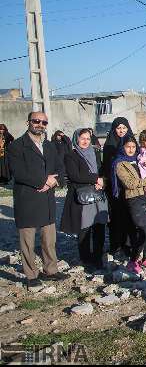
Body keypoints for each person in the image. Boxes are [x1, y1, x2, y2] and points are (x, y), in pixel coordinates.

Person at [7, 112, 69, 288]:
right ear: (28, 122)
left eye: (44, 122)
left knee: (49, 239)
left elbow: (60, 166)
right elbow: (19, 172)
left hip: (47, 198)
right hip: (28, 198)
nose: (40, 124)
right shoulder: (17, 146)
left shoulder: (49, 146)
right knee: (27, 241)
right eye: (36, 121)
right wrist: (42, 181)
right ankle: (31, 274)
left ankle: (51, 269)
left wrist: (54, 181)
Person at [60, 128, 109, 271]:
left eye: (88, 138)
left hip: (98, 194)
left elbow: (101, 170)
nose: (85, 141)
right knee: (85, 228)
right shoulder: (71, 155)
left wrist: (102, 181)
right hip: (83, 196)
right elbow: (75, 176)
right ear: (76, 139)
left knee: (99, 226)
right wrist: (96, 179)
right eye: (82, 138)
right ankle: (86, 258)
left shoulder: (94, 153)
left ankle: (98, 256)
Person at [114, 136, 146, 274]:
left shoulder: (138, 158)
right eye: (128, 146)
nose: (131, 149)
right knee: (143, 229)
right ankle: (133, 261)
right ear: (123, 147)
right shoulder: (120, 163)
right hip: (133, 198)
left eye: (133, 147)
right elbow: (129, 183)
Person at [102, 117, 134, 255]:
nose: (121, 131)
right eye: (118, 128)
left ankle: (129, 244)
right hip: (115, 187)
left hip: (131, 187)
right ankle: (116, 245)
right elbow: (106, 166)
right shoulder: (109, 145)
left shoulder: (132, 143)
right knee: (116, 217)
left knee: (130, 215)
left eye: (124, 128)